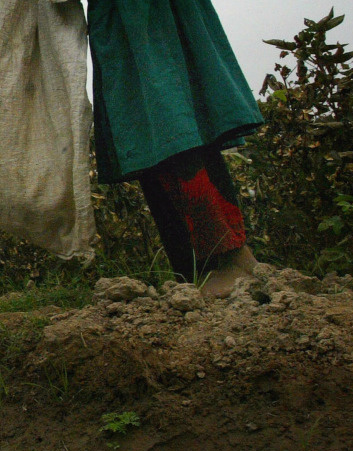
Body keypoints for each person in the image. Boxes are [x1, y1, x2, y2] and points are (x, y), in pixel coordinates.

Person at [87, 0, 264, 296]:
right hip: (138, 15)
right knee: (165, 120)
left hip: (143, 15)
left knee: (167, 118)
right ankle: (220, 261)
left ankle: (221, 260)